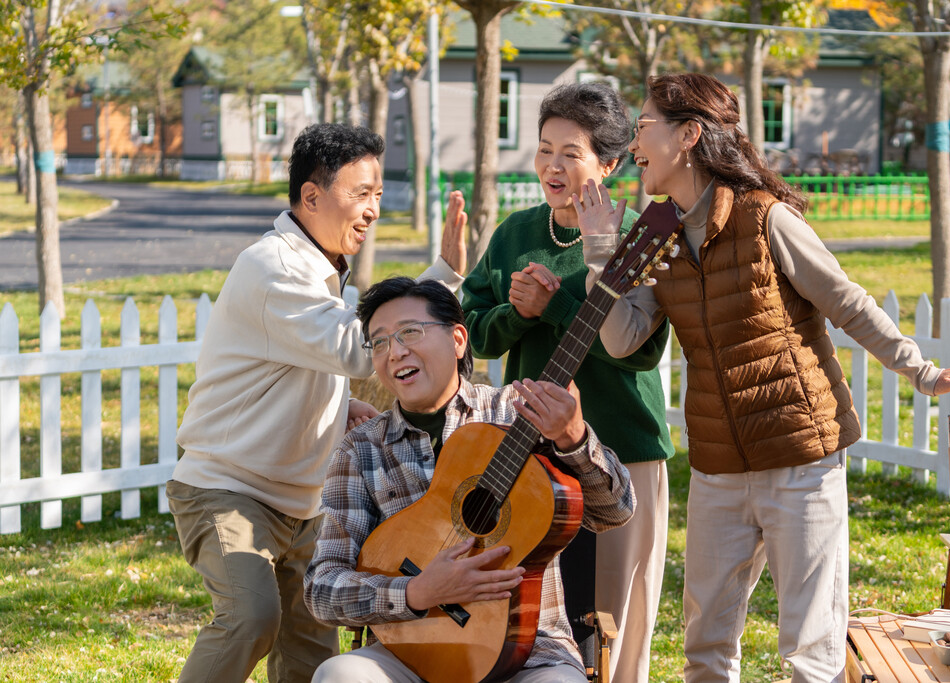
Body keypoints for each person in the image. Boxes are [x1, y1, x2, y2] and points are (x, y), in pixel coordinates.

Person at [575, 72, 950, 683]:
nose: (634, 142)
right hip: (719, 468)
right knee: (705, 648)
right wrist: (600, 249)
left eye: (644, 127)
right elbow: (620, 337)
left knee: (810, 650)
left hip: (800, 458)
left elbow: (846, 302)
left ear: (689, 135)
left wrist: (923, 372)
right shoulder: (655, 232)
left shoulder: (765, 219)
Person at [167, 123, 468, 683]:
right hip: (229, 490)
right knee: (250, 617)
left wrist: (339, 405)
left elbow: (308, 360)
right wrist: (444, 279)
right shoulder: (277, 267)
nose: (374, 209)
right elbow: (357, 348)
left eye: (378, 194)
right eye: (361, 194)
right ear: (311, 196)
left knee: (311, 654)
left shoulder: (318, 267)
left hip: (304, 504)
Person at [304, 276, 636, 682]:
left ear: (459, 339)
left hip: (530, 653)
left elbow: (614, 513)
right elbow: (322, 588)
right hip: (409, 652)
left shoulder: (520, 415)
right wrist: (418, 592)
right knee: (340, 675)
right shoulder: (362, 449)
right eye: (380, 342)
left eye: (410, 332)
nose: (395, 351)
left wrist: (574, 439)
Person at [460, 81, 674, 683]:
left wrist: (554, 310)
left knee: (609, 621)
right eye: (544, 149)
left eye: (571, 153)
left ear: (607, 163)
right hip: (526, 455)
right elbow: (474, 336)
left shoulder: (642, 234)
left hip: (621, 453)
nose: (552, 166)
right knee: (531, 615)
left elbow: (637, 354)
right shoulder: (515, 233)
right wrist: (515, 315)